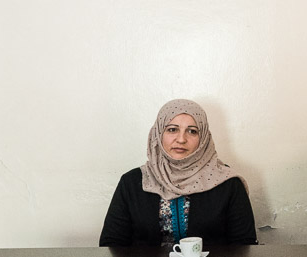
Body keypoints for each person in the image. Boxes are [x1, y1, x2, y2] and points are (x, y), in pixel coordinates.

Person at [99, 99, 257, 247]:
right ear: (158, 134)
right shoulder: (133, 182)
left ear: (203, 138)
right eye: (172, 129)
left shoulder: (228, 183)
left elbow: (244, 246)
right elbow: (111, 245)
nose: (181, 139)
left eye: (192, 131)